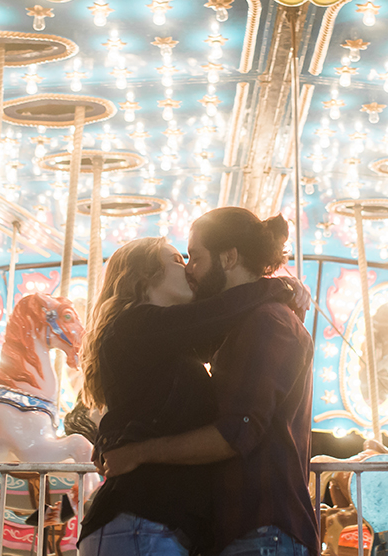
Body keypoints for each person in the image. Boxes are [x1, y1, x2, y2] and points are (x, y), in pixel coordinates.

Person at [104, 208, 318, 556]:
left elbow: (238, 430)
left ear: (229, 257)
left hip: (261, 526)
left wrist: (139, 452)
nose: (190, 269)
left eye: (195, 256)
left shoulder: (266, 323)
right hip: (244, 528)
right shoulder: (238, 325)